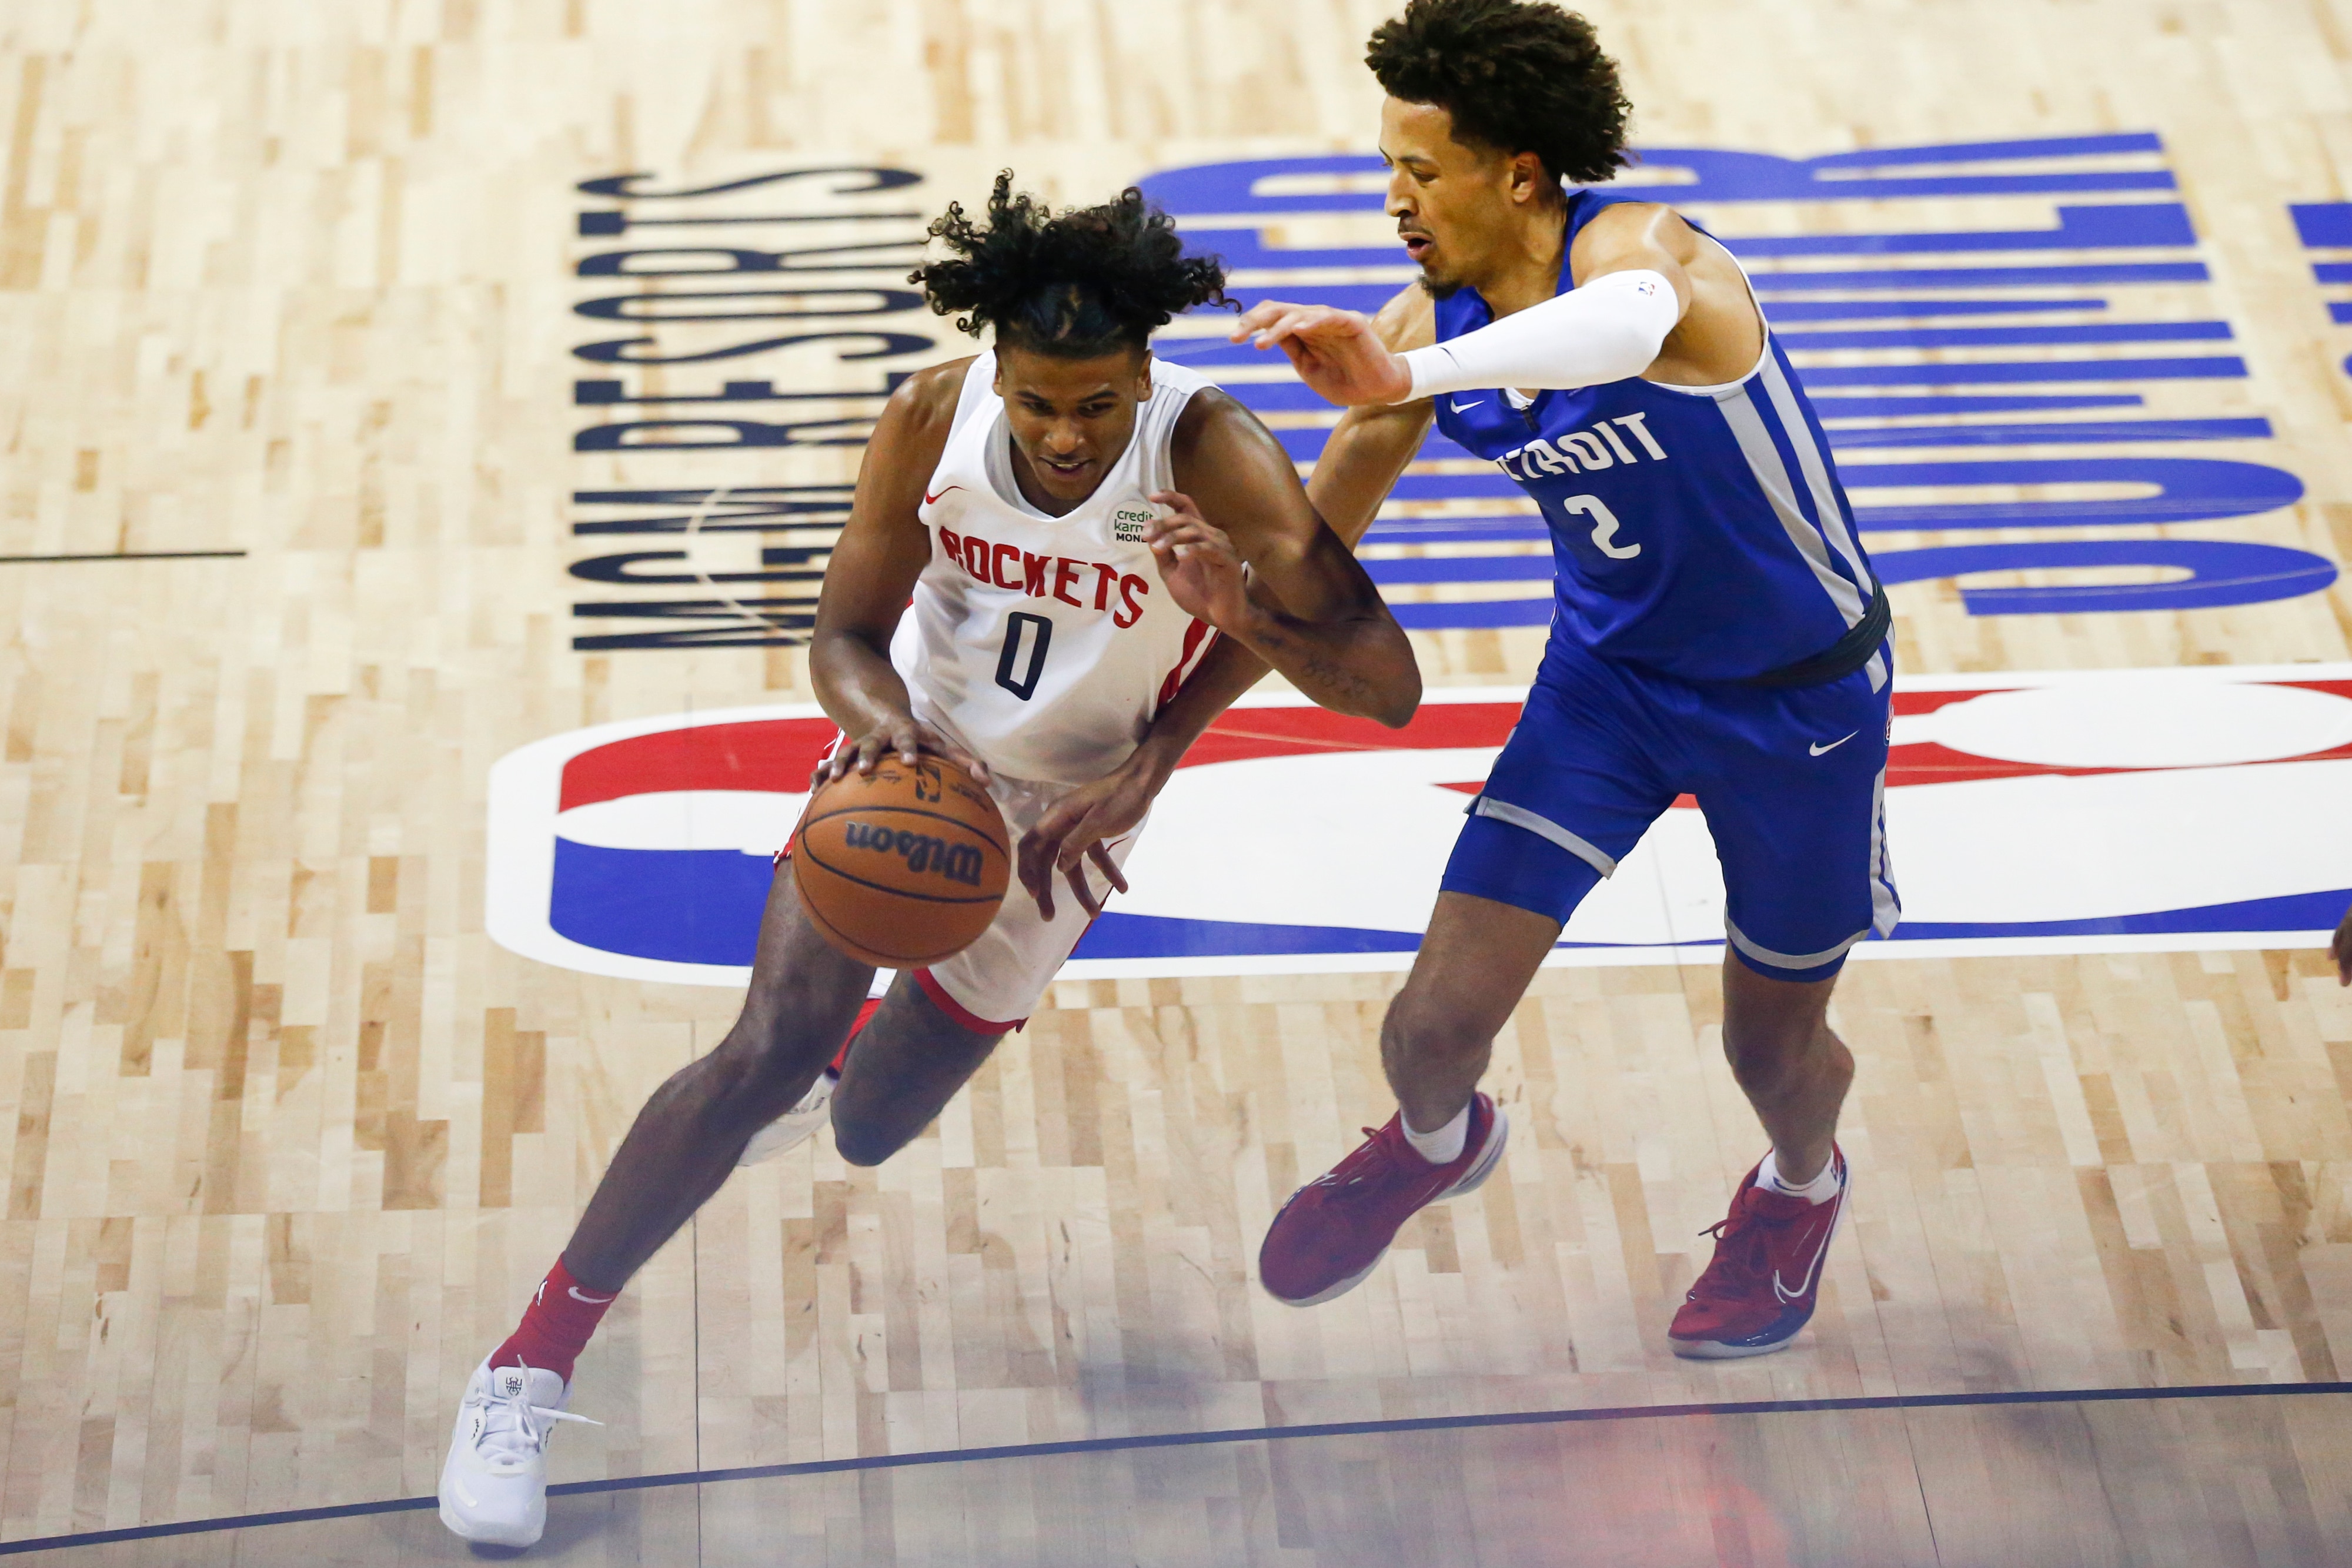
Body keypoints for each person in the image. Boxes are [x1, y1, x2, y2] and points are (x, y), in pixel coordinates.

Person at [438, 174, 1421, 1549]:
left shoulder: (1215, 452)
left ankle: (844, 1066)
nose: (1065, 433)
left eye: (1095, 402)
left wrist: (1221, 635)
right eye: (1036, 399)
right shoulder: (927, 416)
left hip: (1076, 812)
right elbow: (841, 635)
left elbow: (1384, 688)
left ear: (1145, 371)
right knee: (760, 1051)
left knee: (867, 1124)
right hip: (914, 769)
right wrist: (889, 732)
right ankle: (527, 1363)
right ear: (996, 372)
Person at [1240, 0, 1896, 1362]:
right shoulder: (1427, 322)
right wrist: (1176, 656)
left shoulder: (1650, 258)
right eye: (1386, 169)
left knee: (1768, 1054)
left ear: (1517, 174)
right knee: (1425, 1030)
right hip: (1606, 686)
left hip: (1796, 700)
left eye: (1418, 171)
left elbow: (1625, 323)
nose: (1392, 202)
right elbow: (1306, 553)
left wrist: (1407, 367)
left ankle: (1799, 1187)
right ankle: (1436, 1142)